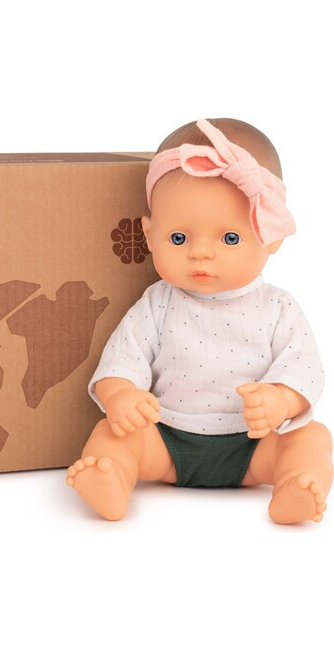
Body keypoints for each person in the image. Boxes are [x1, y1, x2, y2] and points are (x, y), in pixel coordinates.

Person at [66, 118, 332, 524]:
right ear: (150, 235)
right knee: (113, 433)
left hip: (254, 445)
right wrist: (122, 397)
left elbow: (304, 369)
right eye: (179, 238)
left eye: (229, 238)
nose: (200, 253)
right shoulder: (157, 303)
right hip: (165, 439)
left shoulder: (278, 307)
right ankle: (112, 476)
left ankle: (296, 484)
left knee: (312, 438)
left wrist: (281, 399)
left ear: (271, 235)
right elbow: (122, 358)